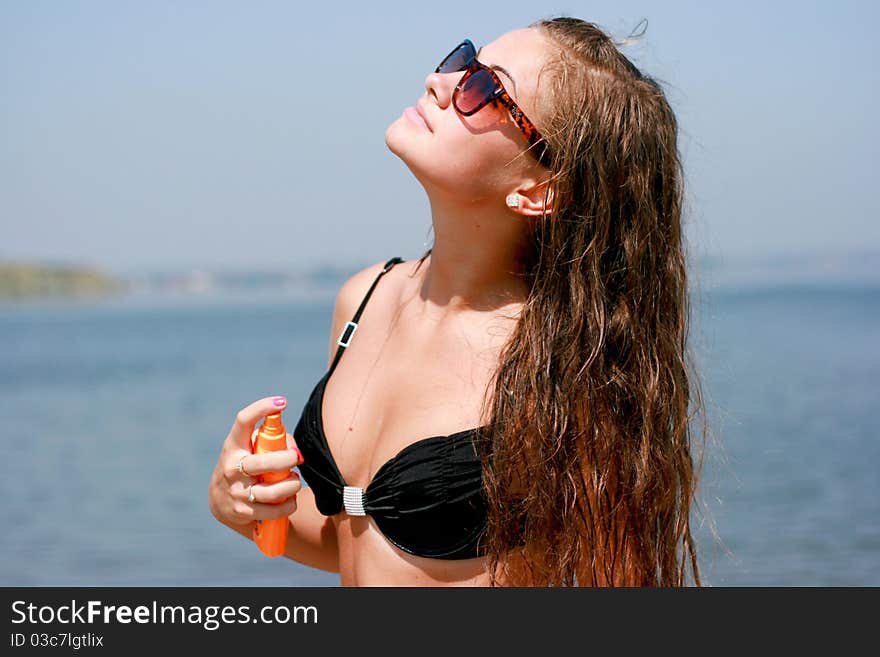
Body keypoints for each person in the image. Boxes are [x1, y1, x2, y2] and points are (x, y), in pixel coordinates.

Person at [208, 16, 708, 586]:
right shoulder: (364, 299)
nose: (438, 81)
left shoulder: (562, 363)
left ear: (538, 190)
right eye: (461, 62)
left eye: (484, 89)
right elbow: (356, 542)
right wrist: (239, 505)